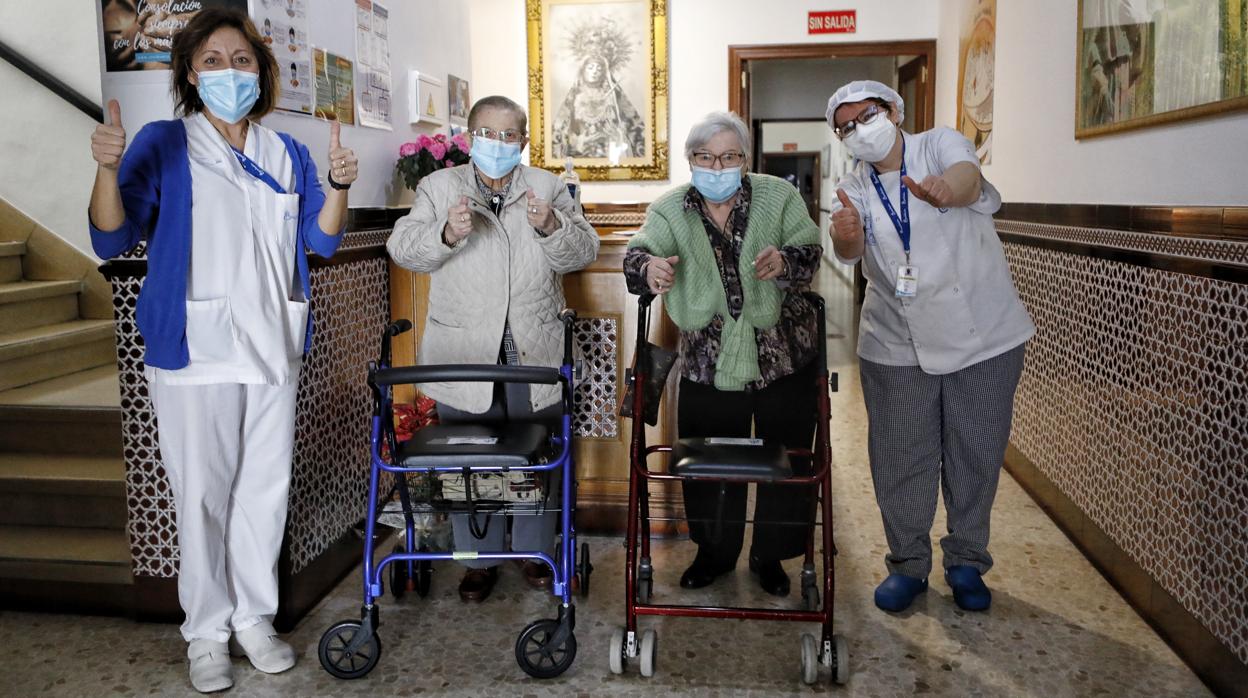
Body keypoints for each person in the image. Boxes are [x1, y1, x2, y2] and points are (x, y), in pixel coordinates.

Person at [87, 9, 357, 693]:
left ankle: (253, 620)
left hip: (273, 347)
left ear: (261, 73)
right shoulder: (163, 144)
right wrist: (107, 169)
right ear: (188, 72)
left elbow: (321, 241)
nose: (228, 71)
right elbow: (110, 239)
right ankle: (205, 632)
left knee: (263, 491)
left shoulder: (285, 151)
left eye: (241, 59)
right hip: (194, 350)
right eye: (212, 59)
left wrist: (343, 186)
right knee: (202, 494)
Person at [826, 80, 1034, 613]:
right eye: (845, 127)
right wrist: (846, 232)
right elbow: (848, 251)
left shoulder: (938, 144)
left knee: (975, 452)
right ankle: (908, 564)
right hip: (894, 340)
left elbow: (968, 179)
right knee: (901, 457)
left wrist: (947, 189)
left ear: (894, 111)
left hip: (983, 336)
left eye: (866, 117)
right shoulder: (852, 185)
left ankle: (966, 560)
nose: (858, 132)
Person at [386, 95, 599, 603]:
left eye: (509, 135)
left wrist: (551, 225)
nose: (497, 144)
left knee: (536, 458)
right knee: (467, 459)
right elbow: (403, 248)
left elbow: (583, 251)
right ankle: (475, 559)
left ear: (523, 142)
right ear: (469, 134)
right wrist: (446, 232)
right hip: (462, 349)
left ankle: (532, 552)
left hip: (533, 351)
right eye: (487, 132)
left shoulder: (547, 186)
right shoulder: (439, 187)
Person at [622, 111, 822, 596]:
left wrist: (785, 262)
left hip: (783, 360)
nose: (718, 165)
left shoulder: (779, 196)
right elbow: (637, 254)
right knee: (709, 466)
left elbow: (811, 250)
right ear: (691, 160)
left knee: (789, 459)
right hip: (707, 366)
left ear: (745, 160)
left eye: (729, 156)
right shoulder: (671, 209)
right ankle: (714, 552)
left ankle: (770, 555)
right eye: (706, 157)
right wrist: (650, 268)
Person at [551, 54, 645, 159]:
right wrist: (578, 140)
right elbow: (559, 129)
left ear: (604, 73)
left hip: (609, 152)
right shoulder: (574, 95)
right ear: (583, 70)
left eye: (599, 69)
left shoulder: (614, 95)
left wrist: (617, 134)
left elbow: (633, 124)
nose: (594, 71)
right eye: (590, 68)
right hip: (579, 153)